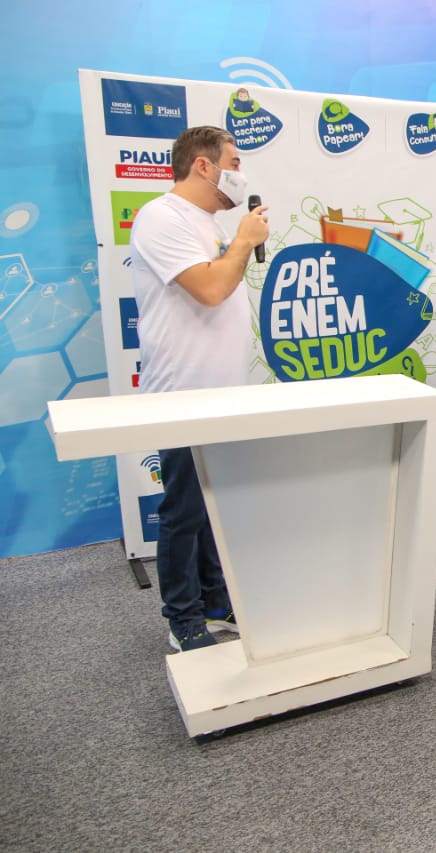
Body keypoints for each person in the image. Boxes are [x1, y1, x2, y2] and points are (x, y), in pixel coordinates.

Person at [128, 126, 269, 651]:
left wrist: (238, 242)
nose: (240, 174)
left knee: (213, 506)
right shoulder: (161, 217)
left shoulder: (208, 223)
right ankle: (183, 618)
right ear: (203, 165)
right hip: (184, 392)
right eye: (234, 162)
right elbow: (210, 289)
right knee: (185, 510)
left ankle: (215, 601)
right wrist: (244, 241)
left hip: (223, 392)